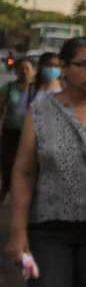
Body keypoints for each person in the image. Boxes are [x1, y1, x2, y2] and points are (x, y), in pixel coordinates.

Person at [5, 38, 86, 286]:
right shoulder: (40, 110)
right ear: (64, 67)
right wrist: (17, 232)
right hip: (49, 230)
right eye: (84, 64)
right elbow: (24, 173)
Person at [0, 58, 36, 201]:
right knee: (8, 162)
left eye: (27, 68)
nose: (24, 72)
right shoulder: (8, 88)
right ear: (15, 71)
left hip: (31, 135)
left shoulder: (38, 89)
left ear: (34, 71)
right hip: (10, 132)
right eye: (21, 68)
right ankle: (6, 187)